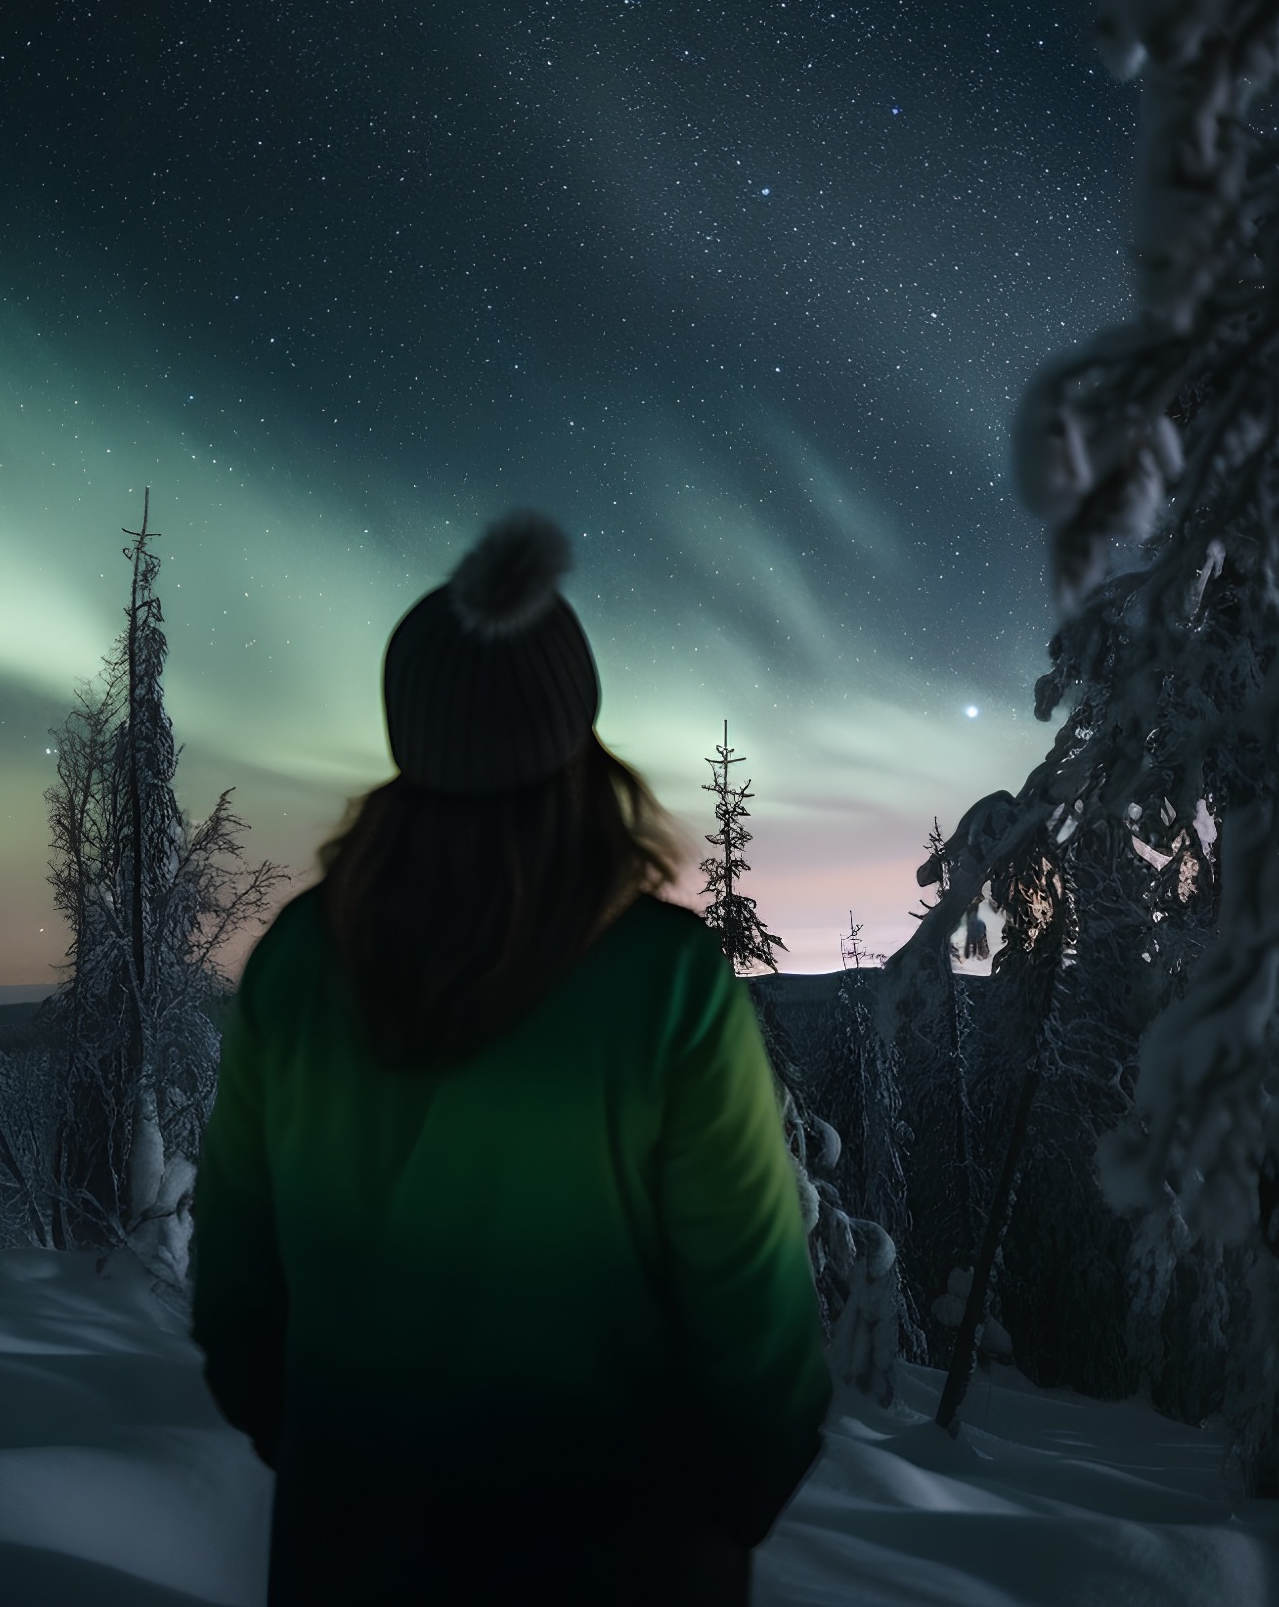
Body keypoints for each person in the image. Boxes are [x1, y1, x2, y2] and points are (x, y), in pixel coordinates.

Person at [191, 511, 831, 1606]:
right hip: (623, 1556)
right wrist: (712, 1517)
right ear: (572, 726)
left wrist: (334, 1462)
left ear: (413, 733)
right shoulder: (665, 983)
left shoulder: (298, 961)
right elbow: (754, 1320)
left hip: (349, 1548)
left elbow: (237, 1284)